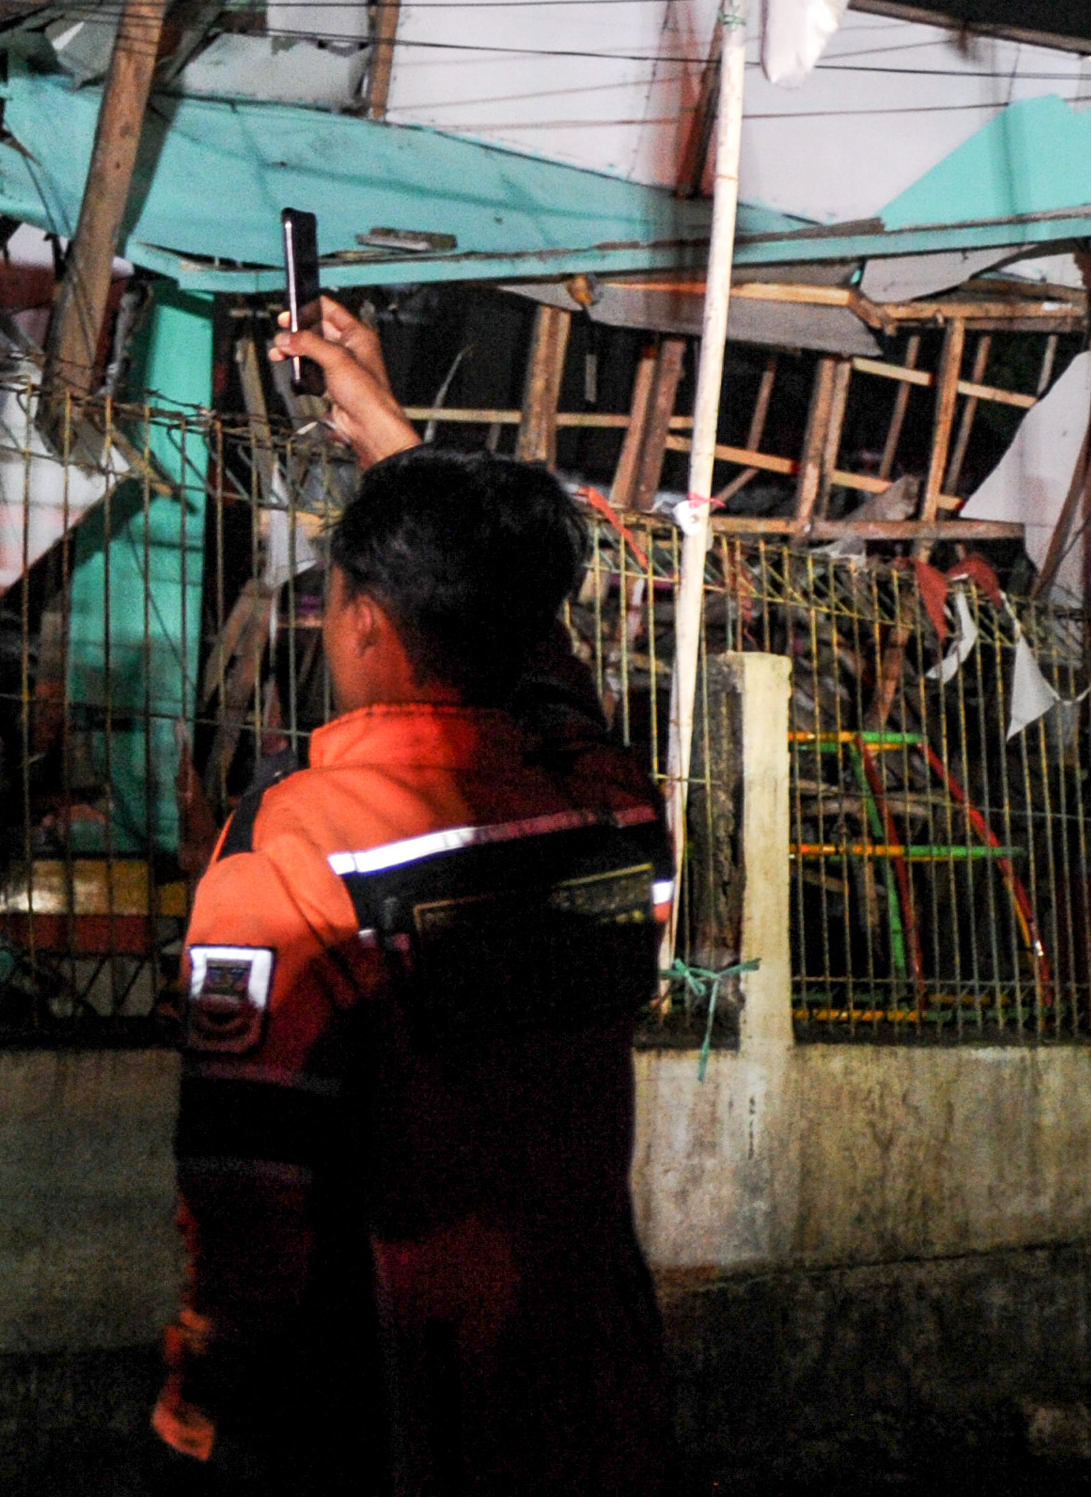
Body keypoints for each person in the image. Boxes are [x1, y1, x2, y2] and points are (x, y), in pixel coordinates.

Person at [153, 298, 676, 1495]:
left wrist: (197, 1409)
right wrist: (396, 445)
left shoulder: (294, 851)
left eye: (335, 595)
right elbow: (532, 659)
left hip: (379, 1407)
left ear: (368, 626)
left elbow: (246, 1191)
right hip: (586, 1380)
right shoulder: (608, 797)